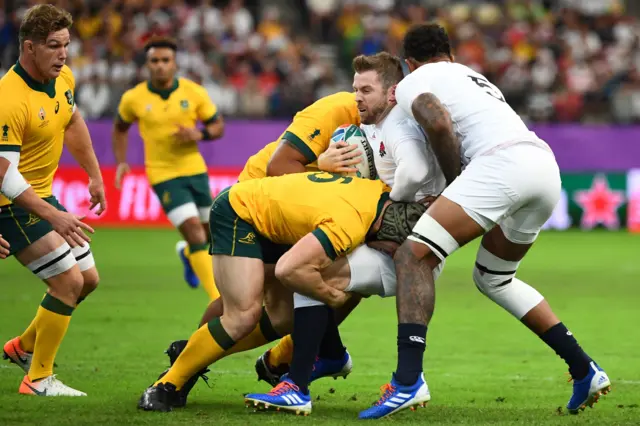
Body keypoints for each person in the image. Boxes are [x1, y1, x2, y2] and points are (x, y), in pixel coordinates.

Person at [360, 23, 610, 419]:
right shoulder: (473, 77)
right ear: (451, 54)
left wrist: (452, 183)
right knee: (494, 278)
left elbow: (437, 120)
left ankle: (407, 381)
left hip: (499, 167)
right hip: (543, 167)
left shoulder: (414, 81)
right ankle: (584, 368)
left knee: (413, 256)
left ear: (409, 62)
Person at [244, 52, 447, 415]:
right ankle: (317, 367)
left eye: (366, 89)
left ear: (391, 93)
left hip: (407, 254)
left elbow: (414, 172)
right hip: (393, 245)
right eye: (355, 88)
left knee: (308, 269)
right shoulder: (373, 128)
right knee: (307, 267)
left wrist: (387, 203)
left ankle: (303, 380)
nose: (356, 97)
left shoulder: (398, 125)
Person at [137, 170, 427, 412]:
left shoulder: (379, 190)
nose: (390, 254)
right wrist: (331, 296)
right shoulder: (349, 226)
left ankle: (191, 355)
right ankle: (167, 384)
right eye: (391, 249)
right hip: (239, 213)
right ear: (386, 235)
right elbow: (289, 270)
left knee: (285, 318)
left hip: (276, 220)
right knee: (242, 316)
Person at [0, 4, 106, 397]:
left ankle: (22, 347)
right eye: (53, 46)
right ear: (29, 48)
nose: (63, 54)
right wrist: (53, 216)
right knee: (68, 282)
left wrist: (94, 174)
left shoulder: (63, 79)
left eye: (65, 45)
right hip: (10, 203)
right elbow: (4, 174)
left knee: (87, 281)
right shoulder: (9, 98)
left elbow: (72, 120)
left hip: (41, 195)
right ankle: (38, 379)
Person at [112, 36, 225, 301]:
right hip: (163, 173)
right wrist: (120, 161)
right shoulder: (133, 98)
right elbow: (119, 128)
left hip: (195, 169)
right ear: (147, 65)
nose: (160, 66)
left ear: (174, 64)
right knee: (194, 231)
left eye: (165, 61)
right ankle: (218, 300)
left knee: (208, 234)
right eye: (155, 61)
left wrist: (199, 134)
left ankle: (187, 254)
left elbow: (218, 126)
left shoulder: (193, 92)